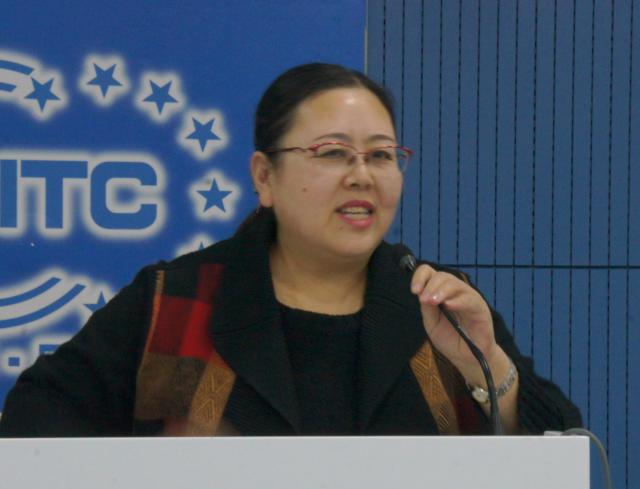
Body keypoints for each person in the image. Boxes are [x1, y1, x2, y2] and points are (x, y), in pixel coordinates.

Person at [0, 63, 581, 437]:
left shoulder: (434, 300)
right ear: (265, 176)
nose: (362, 175)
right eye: (332, 153)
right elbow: (35, 420)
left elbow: (559, 446)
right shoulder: (176, 299)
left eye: (381, 155)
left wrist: (487, 363)